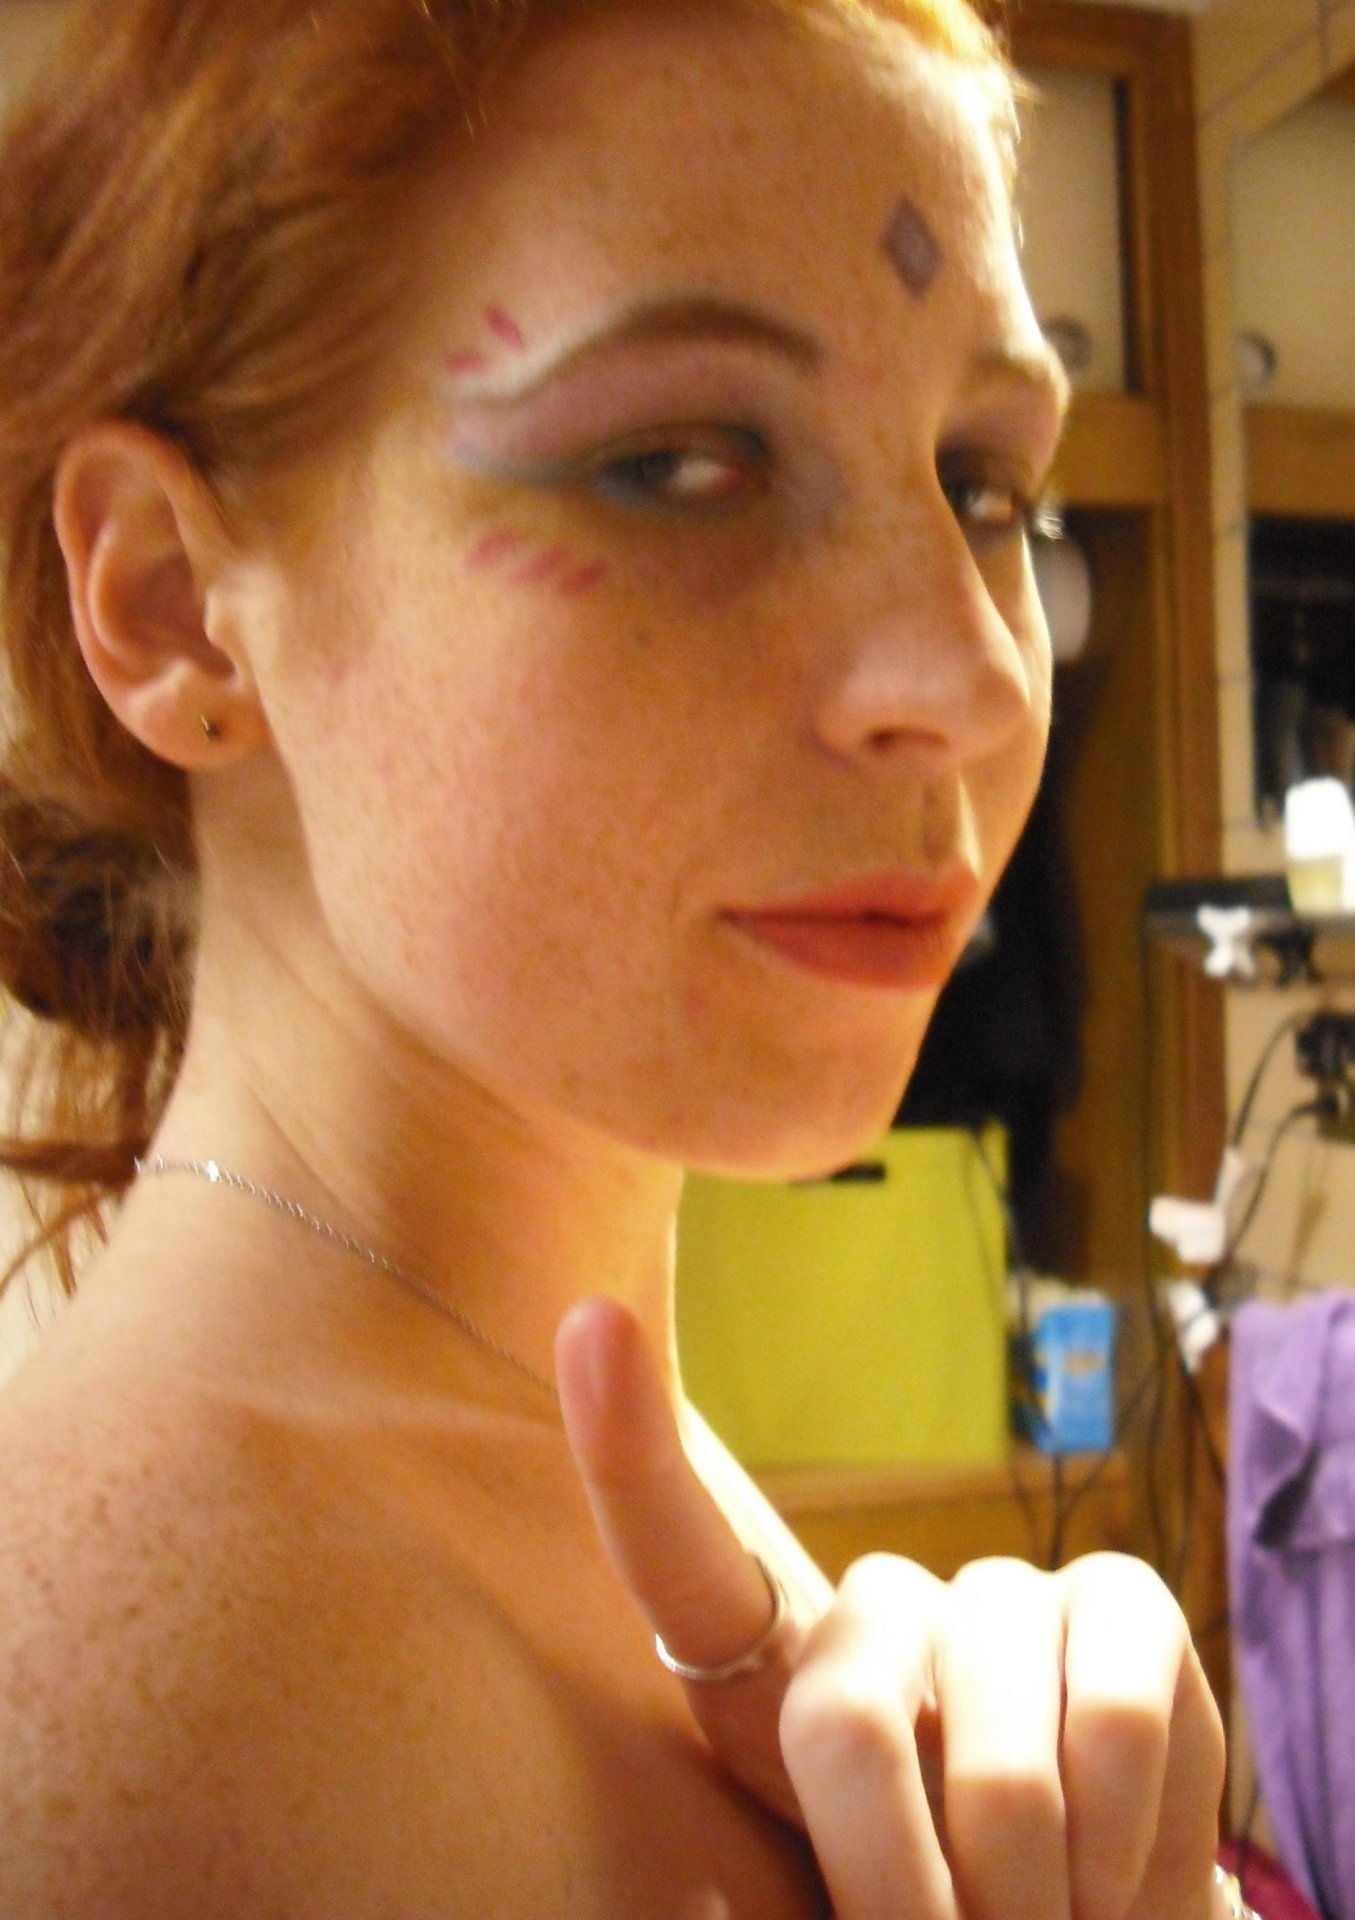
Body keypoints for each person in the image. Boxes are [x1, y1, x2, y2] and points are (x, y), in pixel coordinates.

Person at [0, 0, 1242, 1913]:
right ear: (175, 603)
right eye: (679, 463)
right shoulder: (132, 1726)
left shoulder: (544, 1436)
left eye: (981, 483)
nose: (979, 678)